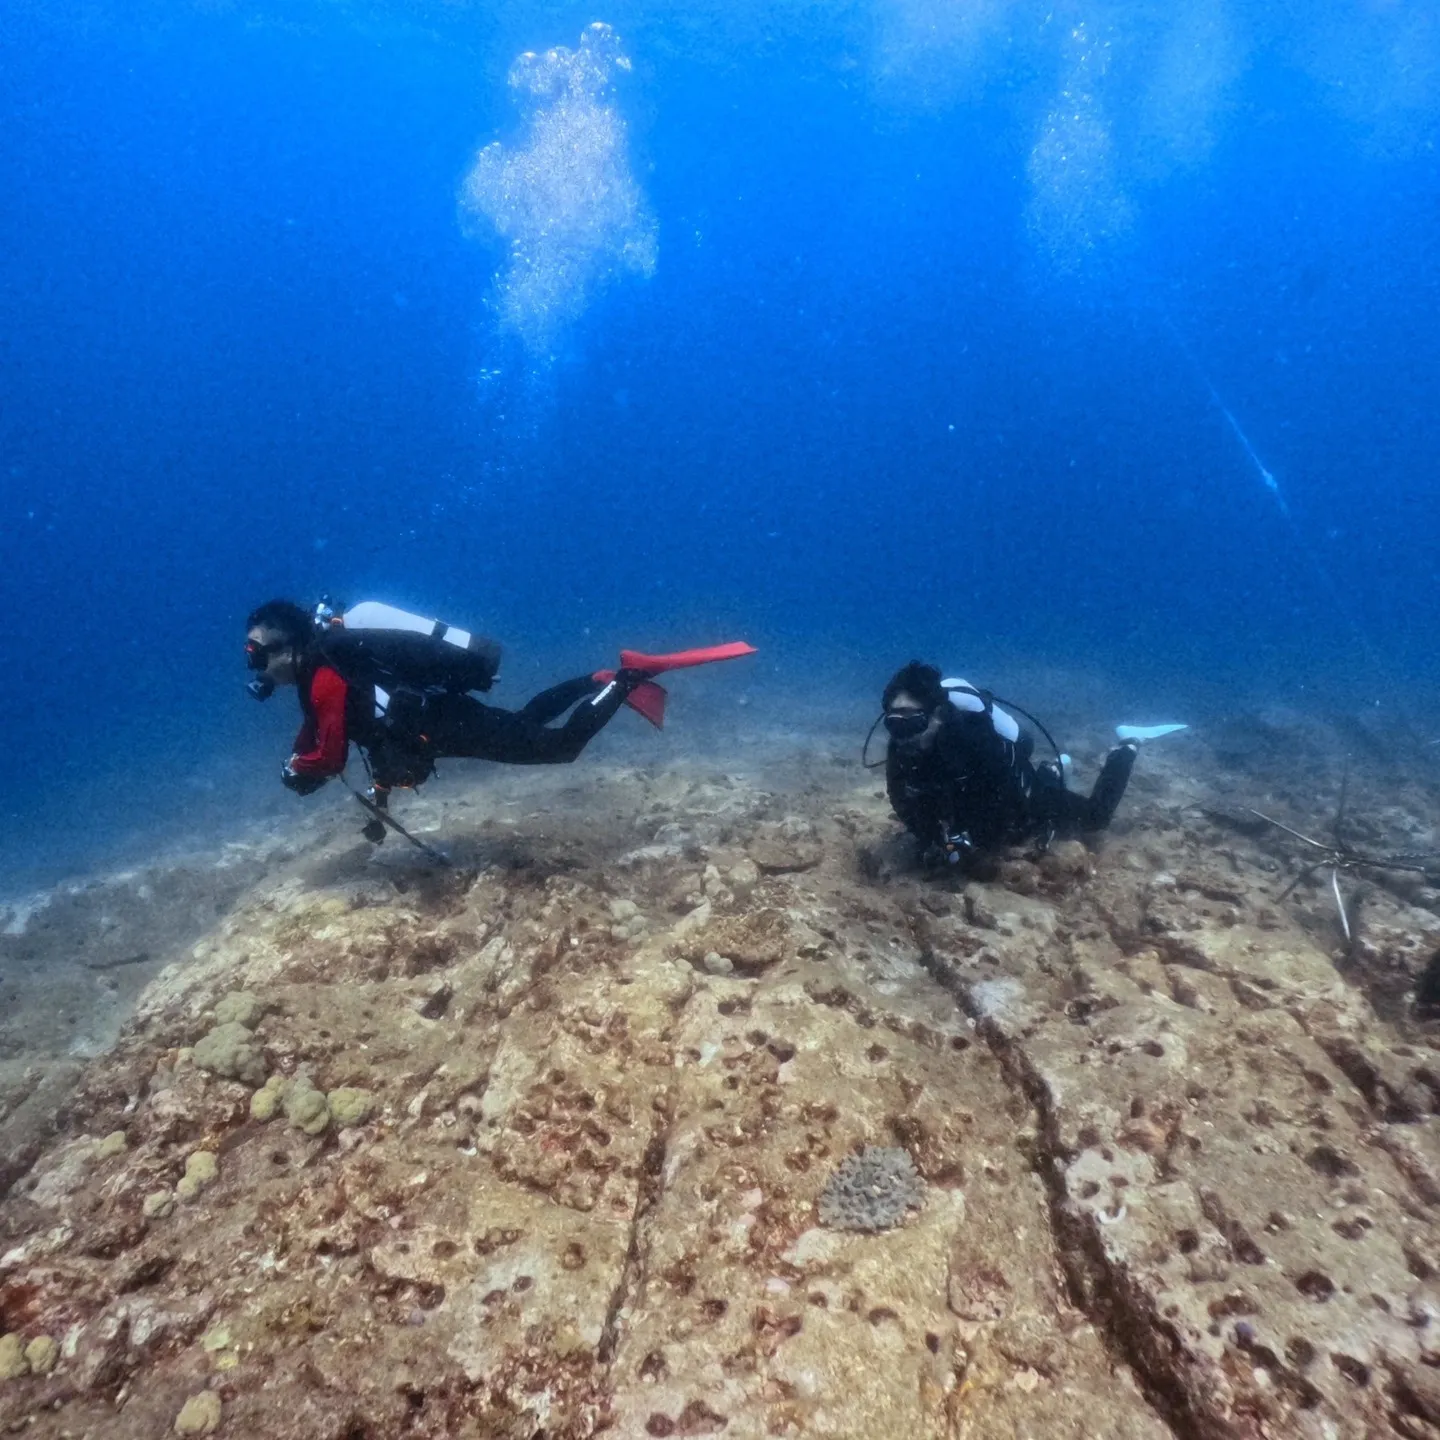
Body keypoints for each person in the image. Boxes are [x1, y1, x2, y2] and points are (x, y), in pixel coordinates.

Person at [245, 600, 750, 812]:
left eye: (257, 653)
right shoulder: (321, 670)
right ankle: (595, 679)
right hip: (438, 716)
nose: (255, 666)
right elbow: (315, 731)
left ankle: (627, 676)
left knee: (558, 748)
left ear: (287, 645)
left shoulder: (324, 675)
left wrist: (298, 772)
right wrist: (298, 758)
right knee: (525, 724)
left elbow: (329, 754)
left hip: (439, 724)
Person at [878, 661, 1137, 867]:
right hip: (967, 796)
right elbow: (900, 796)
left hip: (1019, 793)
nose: (904, 735)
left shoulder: (973, 738)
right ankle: (1052, 770)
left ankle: (1127, 746)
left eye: (912, 723)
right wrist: (928, 837)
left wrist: (972, 838)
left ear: (938, 716)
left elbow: (1003, 799)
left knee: (1095, 818)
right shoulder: (901, 745)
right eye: (894, 724)